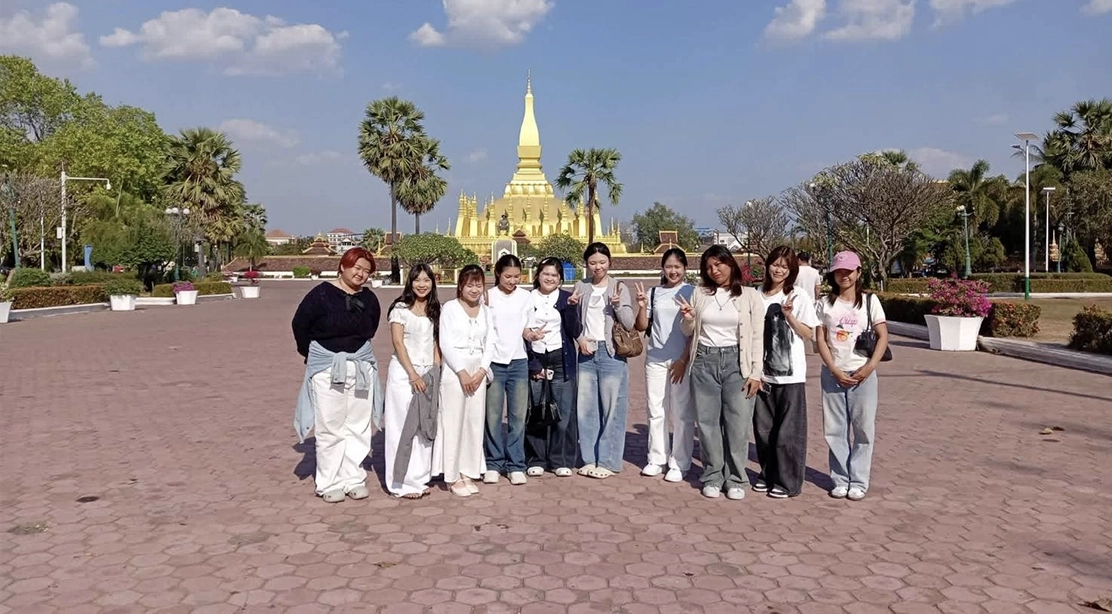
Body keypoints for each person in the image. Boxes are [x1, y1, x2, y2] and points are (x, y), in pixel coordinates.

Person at [292, 247, 383, 503]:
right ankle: (328, 481)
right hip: (328, 366)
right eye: (357, 267)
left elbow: (371, 328)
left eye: (366, 271)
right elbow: (300, 324)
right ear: (343, 266)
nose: (361, 274)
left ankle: (353, 478)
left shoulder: (370, 299)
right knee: (330, 425)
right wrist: (312, 354)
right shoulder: (320, 295)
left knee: (358, 424)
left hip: (361, 366)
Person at [678, 245, 764, 500]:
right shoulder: (700, 293)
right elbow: (687, 330)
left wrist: (756, 372)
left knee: (737, 424)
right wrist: (690, 317)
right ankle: (713, 476)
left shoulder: (749, 295)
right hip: (705, 360)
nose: (714, 270)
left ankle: (736, 477)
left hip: (738, 362)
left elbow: (758, 336)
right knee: (707, 423)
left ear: (730, 264)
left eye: (719, 264)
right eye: (709, 267)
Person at [816, 251, 888, 501]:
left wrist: (869, 368)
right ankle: (840, 479)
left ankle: (858, 480)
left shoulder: (870, 301)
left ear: (859, 273)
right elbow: (821, 340)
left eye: (849, 271)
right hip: (832, 374)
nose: (844, 276)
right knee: (834, 429)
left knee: (863, 429)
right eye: (839, 271)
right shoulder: (825, 304)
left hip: (863, 374)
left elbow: (883, 336)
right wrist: (833, 369)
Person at [754, 246, 819, 499]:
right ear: (768, 265)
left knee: (788, 432)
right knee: (763, 430)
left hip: (790, 376)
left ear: (791, 270)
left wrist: (790, 317)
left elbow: (809, 333)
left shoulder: (797, 295)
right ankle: (768, 474)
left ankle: (788, 481)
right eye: (775, 264)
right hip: (761, 373)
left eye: (785, 266)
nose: (779, 269)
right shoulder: (756, 294)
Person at [570, 242, 635, 480]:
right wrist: (579, 337)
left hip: (611, 353)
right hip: (587, 350)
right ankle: (589, 458)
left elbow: (628, 323)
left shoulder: (618, 286)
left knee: (612, 407)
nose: (598, 267)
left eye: (602, 262)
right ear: (586, 264)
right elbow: (574, 321)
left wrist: (618, 305)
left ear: (609, 262)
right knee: (586, 408)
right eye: (593, 262)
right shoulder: (581, 286)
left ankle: (608, 460)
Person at [633, 248, 695, 482]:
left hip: (681, 360)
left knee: (681, 412)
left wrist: (682, 360)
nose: (673, 271)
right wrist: (641, 305)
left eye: (677, 267)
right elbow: (642, 326)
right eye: (669, 266)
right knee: (656, 410)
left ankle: (680, 462)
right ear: (662, 268)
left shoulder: (692, 292)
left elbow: (694, 330)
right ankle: (657, 457)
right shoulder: (653, 293)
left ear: (685, 269)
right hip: (656, 358)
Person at [434, 264, 495, 498]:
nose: (474, 289)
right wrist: (461, 372)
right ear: (461, 286)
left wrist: (481, 371)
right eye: (470, 284)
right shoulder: (449, 308)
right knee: (453, 421)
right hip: (455, 370)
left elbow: (491, 343)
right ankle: (452, 474)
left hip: (478, 368)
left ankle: (469, 470)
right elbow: (445, 342)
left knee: (473, 421)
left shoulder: (486, 311)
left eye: (478, 284)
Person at [383, 264, 440, 499]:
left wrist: (435, 372)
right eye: (417, 280)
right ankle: (400, 482)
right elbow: (398, 343)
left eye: (427, 280)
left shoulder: (435, 310)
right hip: (405, 375)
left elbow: (437, 344)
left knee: (423, 426)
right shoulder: (400, 309)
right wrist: (413, 374)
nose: (422, 284)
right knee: (401, 427)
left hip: (428, 374)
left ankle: (419, 477)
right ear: (410, 282)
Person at [523, 257, 583, 478]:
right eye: (545, 273)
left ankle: (560, 459)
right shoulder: (527, 299)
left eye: (554, 275)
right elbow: (520, 331)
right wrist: (534, 362)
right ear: (538, 274)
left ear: (560, 279)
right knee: (536, 409)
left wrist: (571, 309)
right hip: (535, 357)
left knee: (563, 411)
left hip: (561, 357)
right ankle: (535, 458)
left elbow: (575, 330)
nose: (549, 278)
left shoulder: (567, 298)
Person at [482, 254, 533, 486]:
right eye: (508, 276)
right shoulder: (487, 296)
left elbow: (527, 326)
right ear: (497, 274)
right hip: (494, 363)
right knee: (492, 416)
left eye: (516, 276)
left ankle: (516, 465)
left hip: (519, 361)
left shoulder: (526, 297)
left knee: (517, 416)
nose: (513, 281)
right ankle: (493, 462)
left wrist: (531, 334)